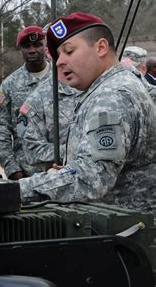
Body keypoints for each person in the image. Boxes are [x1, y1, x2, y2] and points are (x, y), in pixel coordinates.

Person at [19, 12, 155, 217]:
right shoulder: (107, 88)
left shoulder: (111, 96)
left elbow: (92, 177)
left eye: (69, 51)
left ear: (101, 47)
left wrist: (16, 190)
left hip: (125, 231)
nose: (59, 62)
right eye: (57, 55)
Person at [0, 26, 50, 180]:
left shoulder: (63, 78)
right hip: (25, 175)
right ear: (21, 50)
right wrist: (12, 169)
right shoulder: (10, 85)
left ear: (46, 47)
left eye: (37, 45)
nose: (32, 50)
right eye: (26, 46)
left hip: (62, 170)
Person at [17, 76, 81, 173]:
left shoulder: (103, 89)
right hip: (63, 177)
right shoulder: (39, 98)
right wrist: (74, 150)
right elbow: (33, 151)